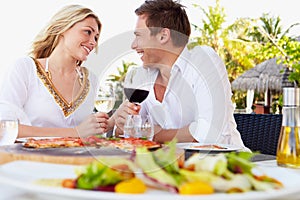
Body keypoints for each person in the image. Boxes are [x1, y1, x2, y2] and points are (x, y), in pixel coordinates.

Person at [112, 0, 248, 149]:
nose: (133, 45)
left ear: (163, 36)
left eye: (139, 36)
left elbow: (209, 133)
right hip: (169, 165)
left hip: (226, 164)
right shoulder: (143, 76)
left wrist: (151, 134)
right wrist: (122, 125)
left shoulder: (203, 60)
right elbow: (130, 133)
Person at [0, 5, 113, 138]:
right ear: (63, 28)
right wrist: (74, 133)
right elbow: (4, 128)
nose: (93, 42)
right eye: (88, 32)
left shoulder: (91, 80)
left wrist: (111, 123)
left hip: (78, 158)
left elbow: (87, 135)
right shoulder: (25, 69)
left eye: (96, 37)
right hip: (30, 157)